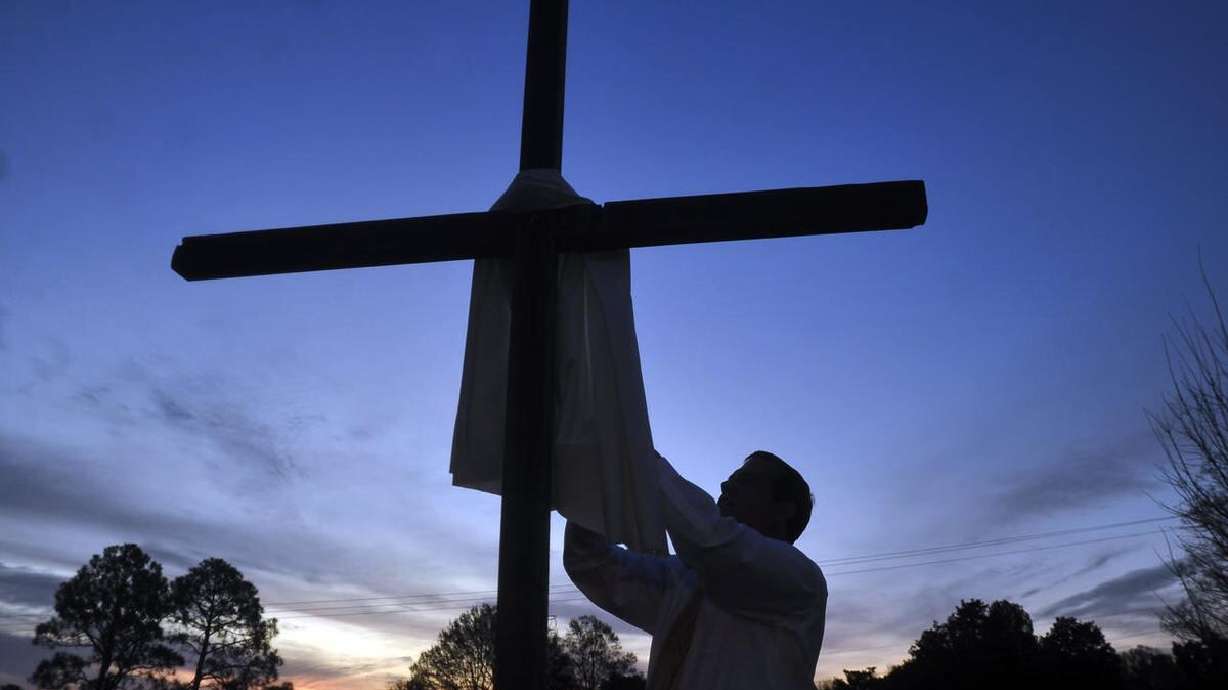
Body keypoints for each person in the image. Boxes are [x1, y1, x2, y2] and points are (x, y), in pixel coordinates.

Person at [564, 450, 827, 690]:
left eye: (747, 481)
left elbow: (710, 539)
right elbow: (591, 562)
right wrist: (597, 486)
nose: (725, 486)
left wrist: (636, 455)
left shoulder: (801, 580)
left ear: (783, 510)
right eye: (730, 479)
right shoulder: (683, 578)